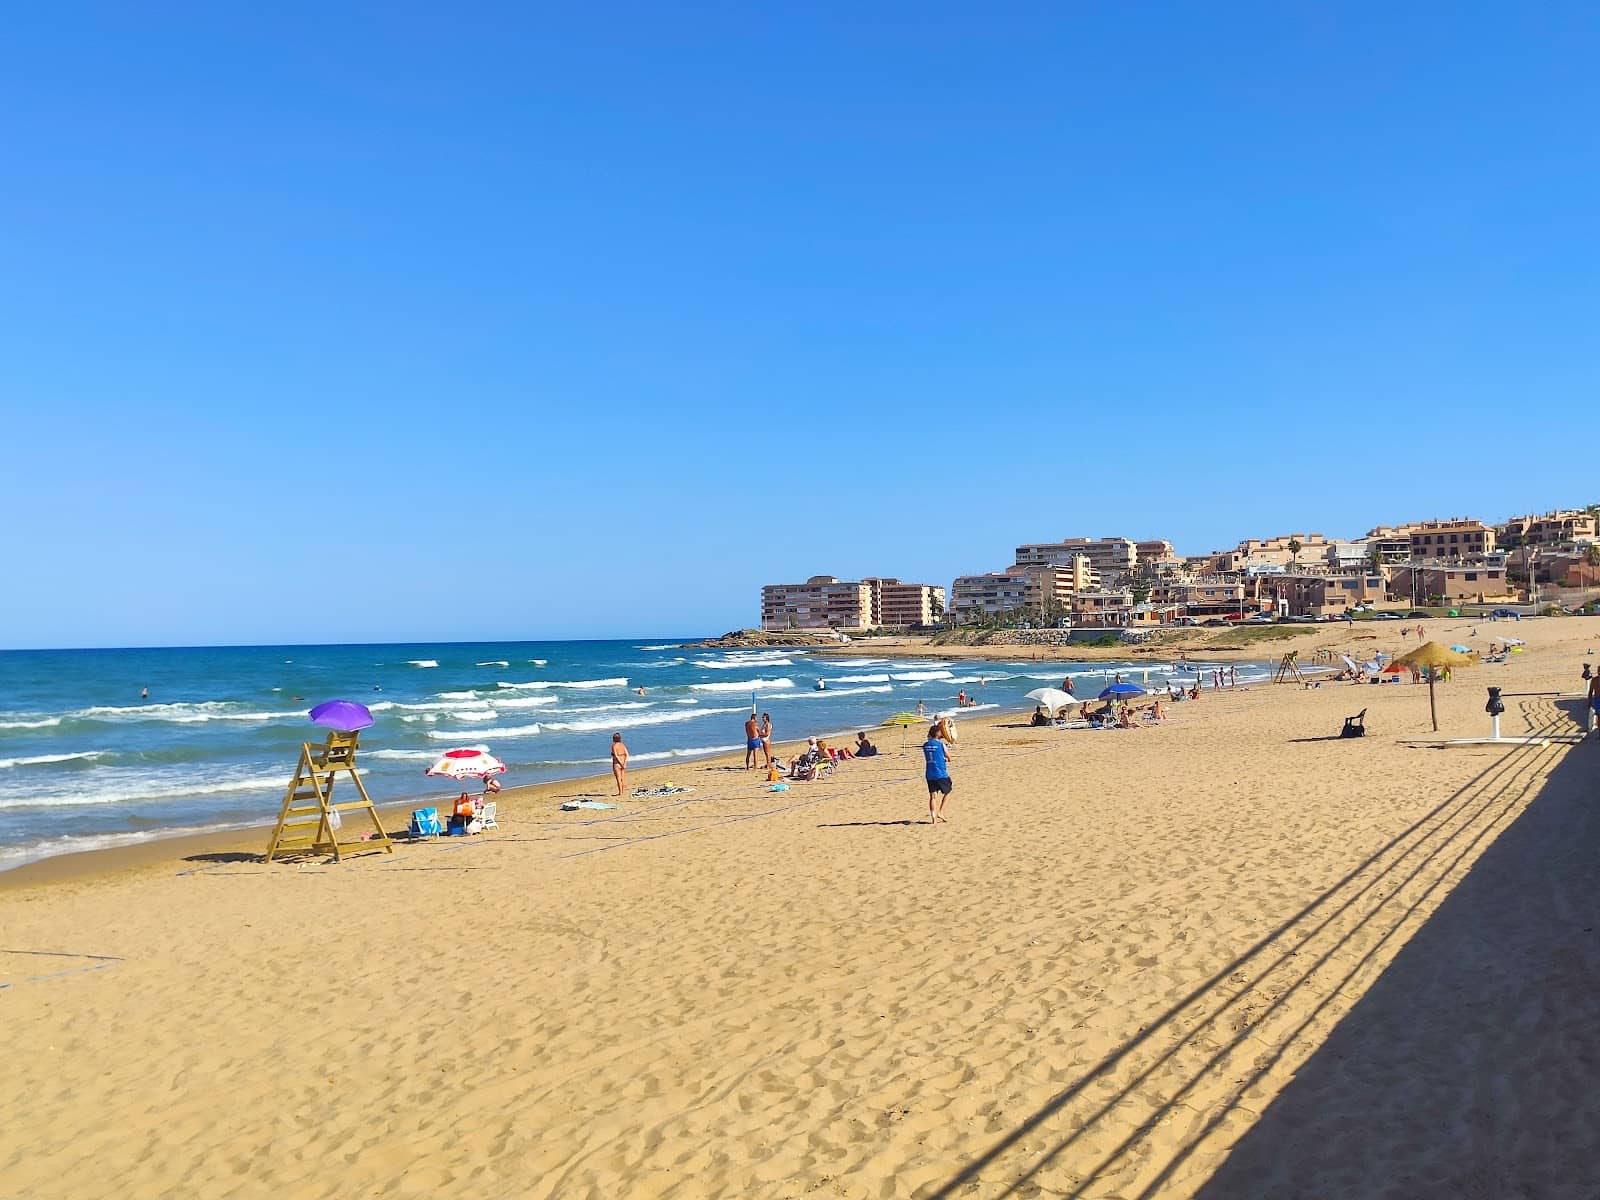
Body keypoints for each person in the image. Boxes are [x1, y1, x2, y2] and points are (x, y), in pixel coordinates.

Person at [922, 724, 953, 824]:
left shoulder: (925, 745)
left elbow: (932, 754)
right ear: (937, 733)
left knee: (933, 796)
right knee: (948, 792)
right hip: (940, 773)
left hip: (929, 773)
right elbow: (949, 757)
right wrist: (945, 759)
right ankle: (940, 812)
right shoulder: (941, 744)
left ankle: (933, 818)